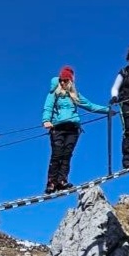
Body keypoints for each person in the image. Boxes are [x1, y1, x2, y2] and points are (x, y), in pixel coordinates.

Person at [42, 65, 109, 194]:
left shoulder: (74, 95)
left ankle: (62, 181)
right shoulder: (54, 93)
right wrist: (46, 120)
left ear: (70, 81)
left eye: (65, 80)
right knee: (57, 154)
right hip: (57, 128)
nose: (62, 83)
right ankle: (51, 182)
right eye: (61, 80)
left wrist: (107, 110)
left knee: (67, 154)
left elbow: (90, 106)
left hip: (73, 129)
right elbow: (48, 107)